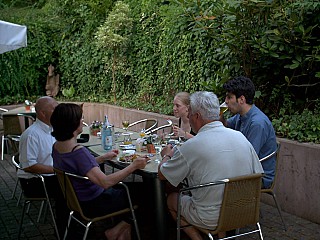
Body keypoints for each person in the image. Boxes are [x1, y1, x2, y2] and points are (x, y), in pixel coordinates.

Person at [158, 91, 264, 240]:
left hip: (210, 217)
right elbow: (258, 173)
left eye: (190, 114)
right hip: (245, 212)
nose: (188, 118)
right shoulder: (240, 137)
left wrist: (166, 155)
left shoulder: (193, 145)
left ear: (197, 116)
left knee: (172, 198)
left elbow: (163, 175)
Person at [50, 103, 150, 240]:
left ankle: (125, 229)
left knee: (134, 189)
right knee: (148, 192)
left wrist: (102, 158)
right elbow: (105, 182)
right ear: (73, 125)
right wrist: (134, 166)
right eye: (80, 118)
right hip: (94, 202)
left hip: (78, 200)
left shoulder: (57, 147)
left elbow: (78, 168)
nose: (82, 121)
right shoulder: (78, 151)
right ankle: (116, 231)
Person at [17, 96, 67, 237]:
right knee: (67, 186)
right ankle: (64, 232)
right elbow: (29, 166)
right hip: (34, 182)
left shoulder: (53, 130)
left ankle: (74, 222)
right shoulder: (31, 135)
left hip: (50, 176)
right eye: (55, 109)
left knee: (76, 180)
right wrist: (59, 170)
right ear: (42, 114)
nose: (59, 112)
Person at [221, 76, 277, 189]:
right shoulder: (240, 116)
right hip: (245, 168)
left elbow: (248, 158)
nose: (225, 102)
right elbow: (225, 125)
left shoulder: (257, 123)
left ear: (241, 99)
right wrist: (219, 115)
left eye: (229, 97)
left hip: (259, 176)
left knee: (213, 175)